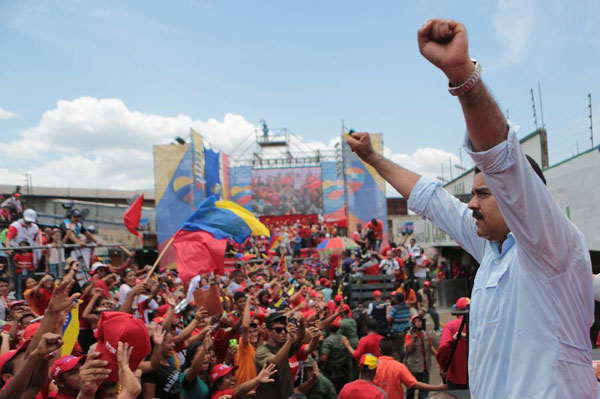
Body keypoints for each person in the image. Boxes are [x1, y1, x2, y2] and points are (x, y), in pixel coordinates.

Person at [346, 17, 596, 398]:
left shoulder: (550, 248)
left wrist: (463, 78)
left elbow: (503, 161)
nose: (471, 205)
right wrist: (373, 159)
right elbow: (432, 199)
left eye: (483, 194)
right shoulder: (490, 249)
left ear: (520, 200)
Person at [254, 311, 305, 399]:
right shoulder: (261, 351)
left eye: (285, 329)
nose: (283, 332)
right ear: (268, 331)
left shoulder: (284, 346)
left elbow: (300, 337)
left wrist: (302, 323)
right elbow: (276, 361)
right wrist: (290, 339)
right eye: (278, 330)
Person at [374, 338, 446, 399]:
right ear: (392, 350)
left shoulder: (373, 365)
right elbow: (414, 384)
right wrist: (438, 387)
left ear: (380, 350)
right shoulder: (399, 366)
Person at [437, 297, 469, 390]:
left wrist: (443, 366)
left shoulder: (450, 326)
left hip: (456, 378)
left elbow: (444, 347)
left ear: (457, 309)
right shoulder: (480, 325)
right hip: (479, 378)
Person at [404, 314, 436, 399]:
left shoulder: (424, 333)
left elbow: (430, 345)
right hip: (413, 368)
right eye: (416, 321)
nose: (418, 323)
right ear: (412, 324)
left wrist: (438, 356)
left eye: (420, 321)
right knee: (411, 391)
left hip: (425, 368)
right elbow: (409, 349)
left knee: (424, 391)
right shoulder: (409, 335)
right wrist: (413, 338)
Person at [319, 319, 352, 393]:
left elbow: (324, 358)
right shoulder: (344, 338)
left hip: (332, 372)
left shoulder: (327, 341)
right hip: (344, 371)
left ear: (328, 328)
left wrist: (317, 359)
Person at [386, 293, 410, 360]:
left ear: (396, 299)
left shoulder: (394, 308)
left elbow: (388, 320)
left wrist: (388, 309)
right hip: (406, 330)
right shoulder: (407, 306)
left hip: (398, 332)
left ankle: (400, 362)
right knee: (404, 347)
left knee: (395, 349)